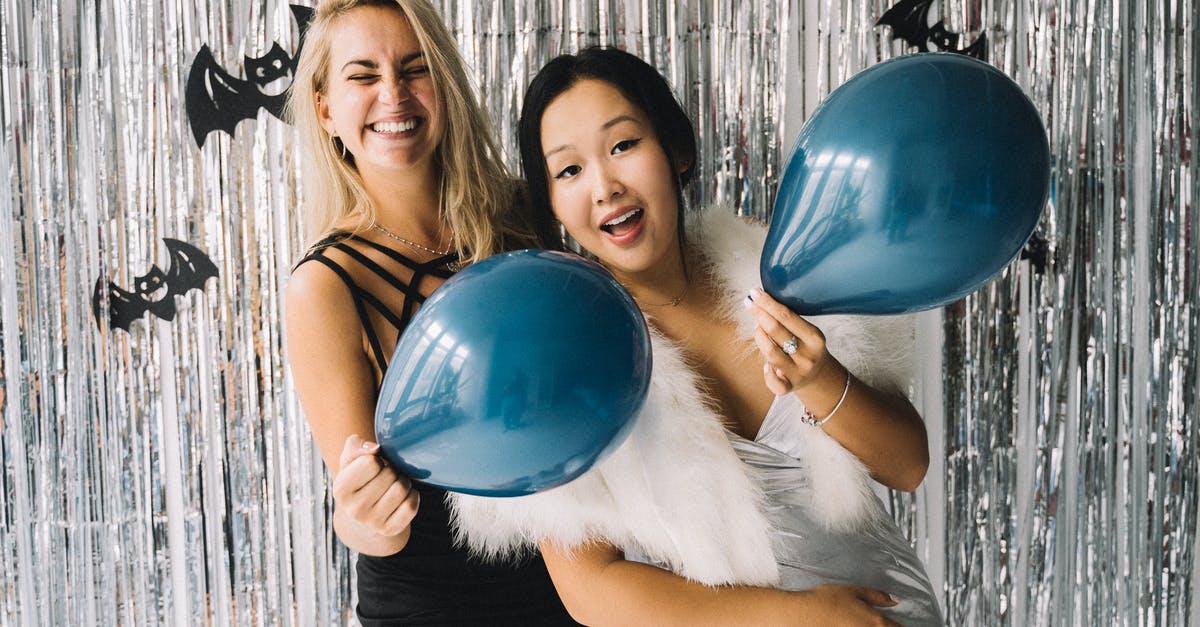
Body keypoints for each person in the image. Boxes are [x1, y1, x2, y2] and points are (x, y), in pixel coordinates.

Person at [450, 47, 943, 626]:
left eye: (623, 145)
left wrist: (820, 378)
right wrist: (795, 616)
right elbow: (592, 589)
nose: (605, 186)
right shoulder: (560, 357)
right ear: (554, 204)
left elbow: (908, 466)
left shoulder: (779, 272)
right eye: (569, 170)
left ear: (676, 151)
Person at [283, 1, 576, 624]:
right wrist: (361, 518)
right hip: (437, 607)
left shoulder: (529, 215)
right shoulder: (326, 287)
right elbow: (371, 518)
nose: (394, 94)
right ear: (325, 109)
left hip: (584, 584)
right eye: (363, 76)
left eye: (416, 69)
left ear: (446, 87)